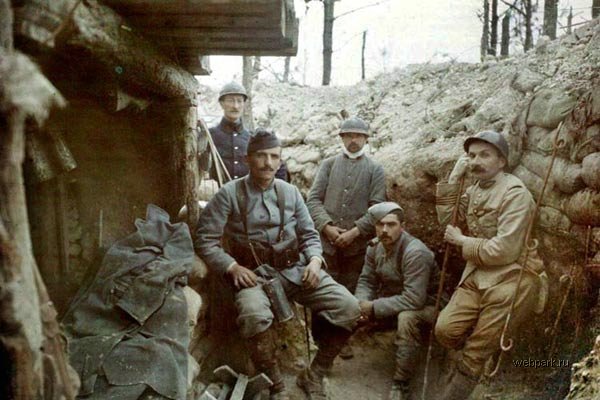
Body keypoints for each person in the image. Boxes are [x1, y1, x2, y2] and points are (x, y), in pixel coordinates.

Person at [195, 129, 361, 400]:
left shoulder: (290, 192)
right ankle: (276, 384)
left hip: (296, 271)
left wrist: (315, 260)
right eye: (261, 156)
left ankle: (314, 374)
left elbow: (309, 234)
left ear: (280, 159)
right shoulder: (229, 194)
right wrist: (232, 267)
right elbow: (205, 240)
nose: (268, 163)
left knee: (350, 307)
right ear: (248, 159)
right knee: (253, 315)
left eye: (274, 156)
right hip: (254, 277)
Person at [434, 130, 546, 399]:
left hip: (513, 276)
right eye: (472, 156)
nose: (476, 162)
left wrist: (463, 241)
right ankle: (479, 349)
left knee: (474, 355)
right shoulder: (474, 190)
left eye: (485, 155)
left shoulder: (515, 194)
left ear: (502, 161)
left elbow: (505, 250)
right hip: (477, 273)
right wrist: (453, 179)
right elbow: (448, 222)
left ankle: (471, 370)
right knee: (445, 331)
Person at [306, 116, 386, 358]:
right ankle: (318, 339)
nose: (353, 140)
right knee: (322, 290)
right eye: (349, 135)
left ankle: (341, 340)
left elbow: (377, 208)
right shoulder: (328, 165)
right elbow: (313, 200)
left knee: (349, 292)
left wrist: (354, 232)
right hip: (327, 245)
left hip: (356, 247)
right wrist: (327, 227)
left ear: (366, 139)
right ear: (341, 138)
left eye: (358, 136)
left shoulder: (375, 170)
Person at [354, 202, 440, 400]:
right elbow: (366, 280)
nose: (385, 230)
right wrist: (360, 303)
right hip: (397, 298)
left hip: (429, 304)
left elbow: (414, 299)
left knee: (407, 318)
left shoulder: (415, 252)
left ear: (402, 226)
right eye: (380, 224)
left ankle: (402, 383)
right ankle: (321, 369)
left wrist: (373, 307)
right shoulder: (375, 247)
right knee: (351, 306)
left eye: (391, 224)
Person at [201, 81, 288, 181]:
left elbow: (276, 166)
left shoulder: (253, 138)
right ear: (221, 104)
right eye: (230, 101)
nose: (235, 106)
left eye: (239, 101)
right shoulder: (209, 135)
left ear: (244, 104)